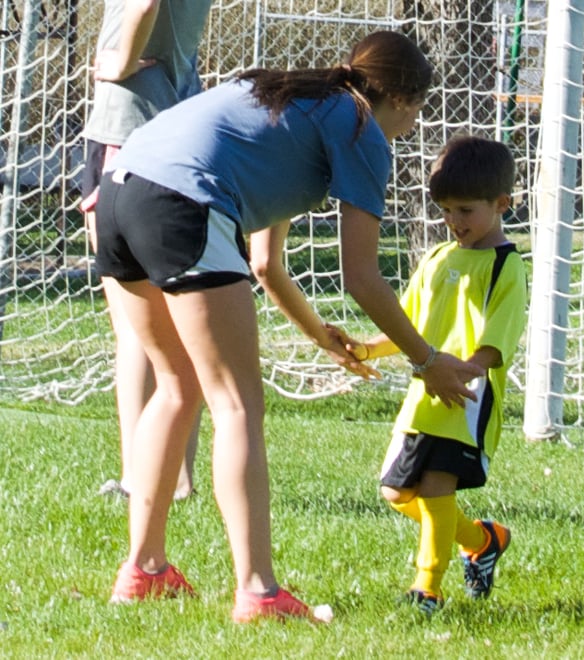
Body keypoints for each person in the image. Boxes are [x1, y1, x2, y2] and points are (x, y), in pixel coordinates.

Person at [93, 31, 484, 622]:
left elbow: (265, 262)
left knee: (177, 386)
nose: (410, 125)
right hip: (180, 203)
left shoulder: (288, 97)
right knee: (237, 405)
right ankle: (258, 591)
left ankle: (143, 572)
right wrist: (427, 362)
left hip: (118, 195)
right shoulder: (361, 129)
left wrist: (319, 335)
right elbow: (362, 277)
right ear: (402, 100)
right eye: (417, 112)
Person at [346, 135, 527, 615]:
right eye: (446, 211)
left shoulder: (507, 267)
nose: (454, 222)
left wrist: (464, 373)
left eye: (465, 211)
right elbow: (409, 327)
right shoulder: (435, 258)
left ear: (501, 204)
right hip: (424, 393)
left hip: (464, 398)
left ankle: (427, 588)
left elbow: (497, 341)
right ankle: (482, 540)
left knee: (436, 488)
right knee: (395, 492)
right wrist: (367, 348)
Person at [81, 0, 212, 500]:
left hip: (128, 126)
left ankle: (142, 478)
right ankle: (177, 478)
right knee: (180, 320)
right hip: (170, 121)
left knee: (135, 326)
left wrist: (119, 59)